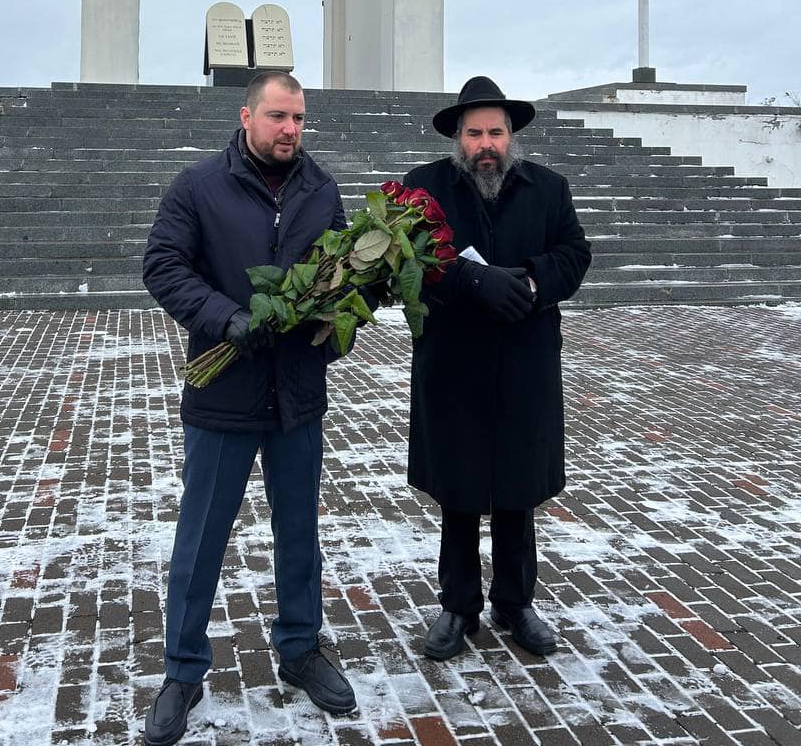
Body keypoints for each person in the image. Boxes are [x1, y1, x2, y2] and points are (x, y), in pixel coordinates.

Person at [141, 71, 357, 746]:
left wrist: (333, 321)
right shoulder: (199, 186)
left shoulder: (323, 191)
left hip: (296, 395)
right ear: (246, 117)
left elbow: (350, 273)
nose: (290, 129)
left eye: (298, 118)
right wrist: (228, 318)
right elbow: (163, 265)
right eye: (277, 117)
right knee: (201, 537)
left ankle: (299, 649)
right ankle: (182, 669)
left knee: (300, 533)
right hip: (223, 395)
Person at [403, 76, 591, 661]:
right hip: (454, 359)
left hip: (524, 360)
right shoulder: (423, 188)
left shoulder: (548, 188)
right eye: (475, 132)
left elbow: (575, 253)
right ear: (458, 137)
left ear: (512, 136)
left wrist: (531, 281)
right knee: (459, 487)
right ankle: (458, 605)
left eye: (496, 132)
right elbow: (408, 256)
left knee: (516, 485)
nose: (486, 143)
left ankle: (515, 601)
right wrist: (471, 280)